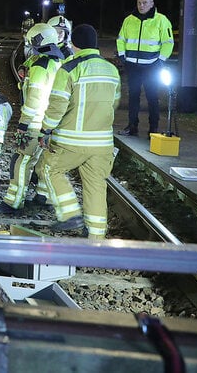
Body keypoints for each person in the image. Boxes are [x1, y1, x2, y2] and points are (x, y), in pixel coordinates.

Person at [37, 24, 121, 239]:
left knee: (49, 168)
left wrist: (45, 129)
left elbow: (57, 105)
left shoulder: (69, 68)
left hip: (72, 141)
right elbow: (115, 103)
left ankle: (69, 214)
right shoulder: (112, 70)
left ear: (74, 44)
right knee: (95, 186)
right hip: (103, 144)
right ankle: (95, 237)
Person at [0, 23, 64, 215]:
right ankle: (43, 197)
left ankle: (13, 202)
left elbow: (34, 99)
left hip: (36, 122)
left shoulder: (41, 66)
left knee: (21, 160)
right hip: (52, 123)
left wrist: (23, 125)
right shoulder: (58, 61)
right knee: (43, 161)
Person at [116, 0, 174, 136]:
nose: (141, 5)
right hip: (132, 65)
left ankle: (153, 129)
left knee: (152, 97)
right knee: (133, 96)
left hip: (151, 66)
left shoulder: (161, 20)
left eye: (145, 2)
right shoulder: (129, 20)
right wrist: (123, 56)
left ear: (152, 3)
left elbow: (168, 42)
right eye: (139, 3)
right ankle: (132, 126)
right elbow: (121, 39)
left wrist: (160, 60)